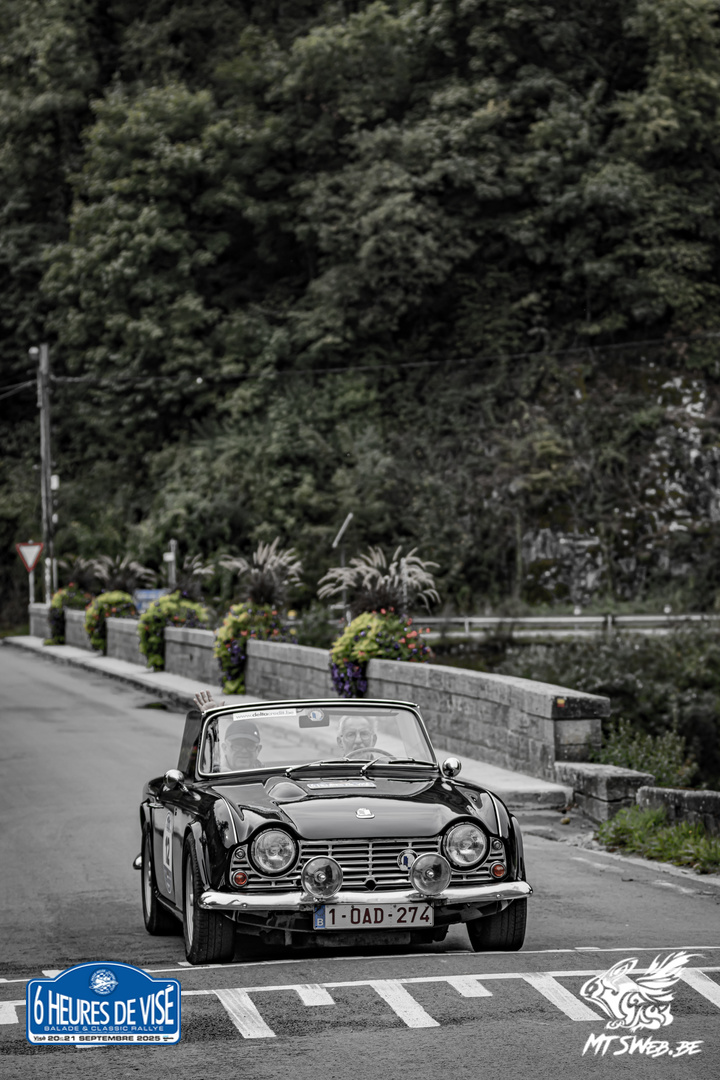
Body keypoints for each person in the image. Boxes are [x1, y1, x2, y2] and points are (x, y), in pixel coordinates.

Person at [193, 690, 262, 770]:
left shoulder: (265, 772)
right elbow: (195, 761)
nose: (244, 751)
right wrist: (208, 722)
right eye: (237, 745)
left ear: (258, 749)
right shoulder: (214, 771)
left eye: (250, 746)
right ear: (225, 748)